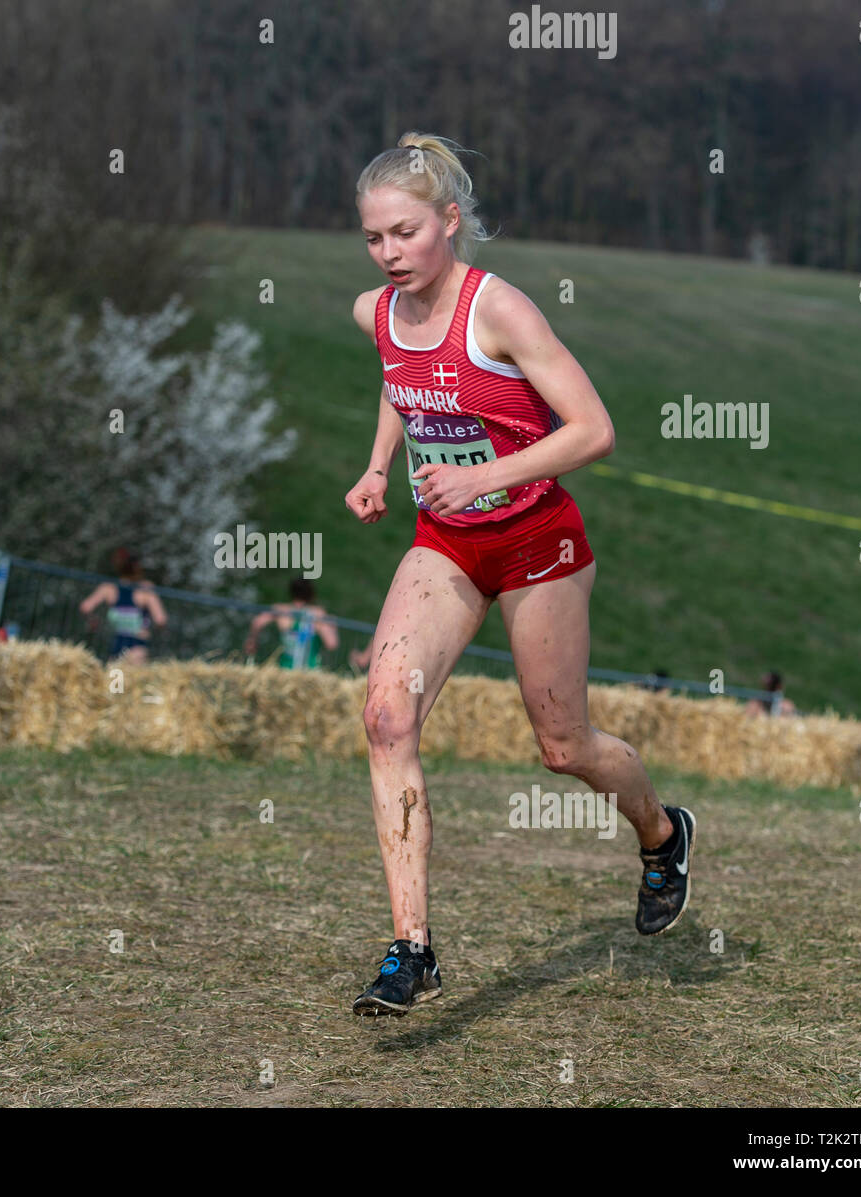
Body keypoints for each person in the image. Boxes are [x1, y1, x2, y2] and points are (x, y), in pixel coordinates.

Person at [345, 132, 696, 1016]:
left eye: (405, 233)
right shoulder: (375, 311)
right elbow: (401, 379)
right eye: (374, 238)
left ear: (449, 222)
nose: (389, 254)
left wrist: (484, 475)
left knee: (563, 747)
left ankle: (660, 833)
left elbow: (593, 429)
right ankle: (410, 949)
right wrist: (380, 465)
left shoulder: (501, 312)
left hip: (538, 539)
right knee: (386, 715)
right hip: (448, 543)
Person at [79, 548, 167, 665]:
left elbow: (85, 607)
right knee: (134, 681)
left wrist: (93, 621)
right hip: (137, 645)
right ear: (137, 567)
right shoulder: (145, 589)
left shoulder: (108, 588)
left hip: (117, 643)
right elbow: (160, 619)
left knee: (115, 682)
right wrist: (154, 631)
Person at [243, 577, 339, 669]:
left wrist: (252, 640)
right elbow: (331, 644)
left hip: (285, 669)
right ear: (311, 594)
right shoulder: (318, 614)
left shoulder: (281, 610)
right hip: (309, 671)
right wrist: (333, 628)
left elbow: (257, 622)